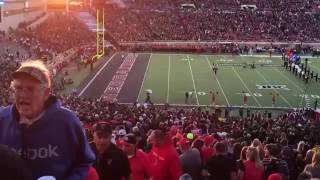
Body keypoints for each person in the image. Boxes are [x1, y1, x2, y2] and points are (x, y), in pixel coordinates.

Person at [0, 60, 95, 179]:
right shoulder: (2, 120)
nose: (23, 95)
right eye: (18, 88)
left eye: (30, 89)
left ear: (46, 93)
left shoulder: (67, 121)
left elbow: (84, 161)